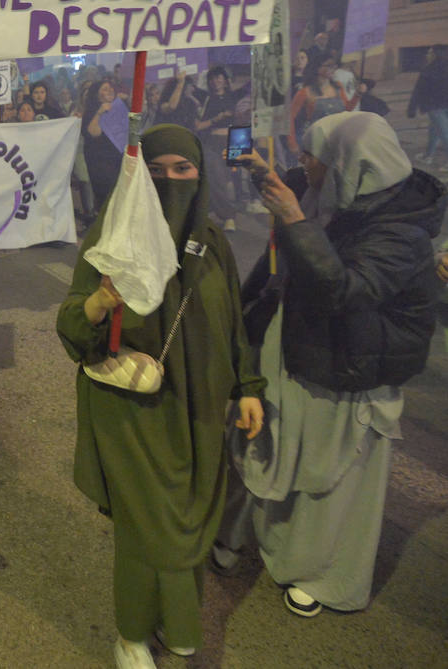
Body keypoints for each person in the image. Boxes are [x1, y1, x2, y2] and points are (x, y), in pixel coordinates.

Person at [215, 113, 444, 618]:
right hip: (298, 347)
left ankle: (320, 573)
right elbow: (289, 185)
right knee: (264, 446)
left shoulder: (400, 231)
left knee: (327, 480)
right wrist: (258, 169)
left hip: (347, 369)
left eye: (312, 156)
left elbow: (344, 291)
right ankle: (233, 535)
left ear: (347, 164)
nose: (302, 163)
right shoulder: (333, 190)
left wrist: (296, 220)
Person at [58, 125, 264, 669]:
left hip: (197, 411)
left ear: (200, 175)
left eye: (182, 169)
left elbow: (233, 325)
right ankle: (129, 635)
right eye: (154, 170)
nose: (169, 180)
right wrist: (100, 302)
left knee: (192, 516)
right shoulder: (110, 240)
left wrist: (247, 388)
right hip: (131, 411)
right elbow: (72, 331)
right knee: (147, 528)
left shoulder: (213, 244)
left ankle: (176, 621)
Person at [195, 66, 241, 231]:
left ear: (225, 79)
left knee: (233, 178)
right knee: (218, 177)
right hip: (214, 140)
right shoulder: (207, 99)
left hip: (235, 139)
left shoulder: (233, 97)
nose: (216, 81)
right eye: (212, 79)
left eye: (219, 77)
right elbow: (199, 125)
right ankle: (228, 215)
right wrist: (217, 118)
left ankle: (221, 209)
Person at [81, 80, 125, 215]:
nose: (110, 90)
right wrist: (100, 112)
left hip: (118, 159)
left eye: (111, 88)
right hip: (100, 163)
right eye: (105, 89)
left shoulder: (119, 109)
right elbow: (94, 132)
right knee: (105, 199)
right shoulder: (91, 112)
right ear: (97, 95)